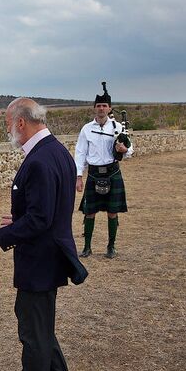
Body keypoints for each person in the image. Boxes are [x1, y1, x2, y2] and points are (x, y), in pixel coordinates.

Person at [0, 98, 85, 371]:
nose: (7, 130)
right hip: (48, 254)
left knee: (32, 328)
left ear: (21, 122)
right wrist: (18, 222)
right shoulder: (58, 152)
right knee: (38, 322)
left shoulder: (39, 160)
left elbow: (40, 220)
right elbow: (43, 211)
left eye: (8, 124)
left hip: (41, 258)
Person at [74, 82, 133, 259]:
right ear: (94, 108)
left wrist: (125, 150)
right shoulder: (86, 129)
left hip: (112, 171)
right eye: (98, 106)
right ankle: (87, 247)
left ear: (109, 108)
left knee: (112, 211)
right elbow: (80, 152)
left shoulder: (117, 128)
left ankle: (111, 246)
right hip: (93, 172)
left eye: (104, 106)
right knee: (89, 211)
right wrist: (78, 175)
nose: (101, 108)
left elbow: (129, 149)